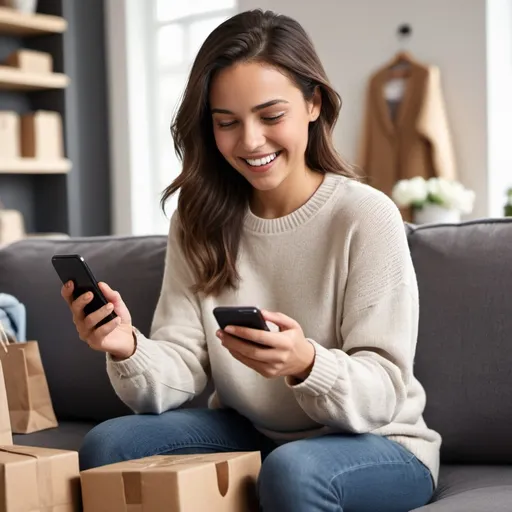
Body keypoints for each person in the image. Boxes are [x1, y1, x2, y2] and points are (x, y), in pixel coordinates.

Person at [62, 9, 441, 512]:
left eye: (271, 116)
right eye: (227, 123)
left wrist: (306, 363)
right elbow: (180, 367)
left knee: (292, 470)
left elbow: (384, 391)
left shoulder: (365, 216)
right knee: (108, 446)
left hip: (379, 442)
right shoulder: (198, 221)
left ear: (313, 103)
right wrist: (125, 345)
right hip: (254, 433)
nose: (250, 142)